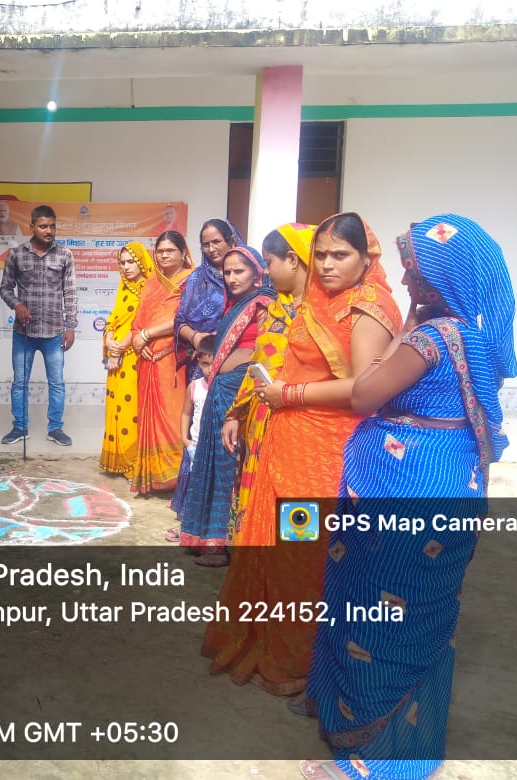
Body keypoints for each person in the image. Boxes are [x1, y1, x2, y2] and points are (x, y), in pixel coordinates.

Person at [297, 215, 516, 780]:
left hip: (404, 492)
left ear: (436, 276)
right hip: (448, 488)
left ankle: (373, 759)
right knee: (419, 616)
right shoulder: (473, 337)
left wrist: (408, 329)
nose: (404, 277)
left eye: (412, 268)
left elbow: (364, 394)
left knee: (377, 617)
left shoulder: (430, 338)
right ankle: (374, 725)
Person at [200, 212, 402, 696]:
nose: (328, 265)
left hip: (325, 455)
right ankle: (274, 645)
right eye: (322, 255)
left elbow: (363, 390)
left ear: (366, 258)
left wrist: (288, 395)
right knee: (281, 551)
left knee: (304, 556)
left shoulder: (367, 307)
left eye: (341, 255)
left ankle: (300, 663)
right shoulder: (316, 300)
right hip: (289, 445)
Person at [177, 245, 275, 564]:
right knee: (211, 461)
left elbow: (263, 352)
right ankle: (202, 536)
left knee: (228, 465)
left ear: (258, 274)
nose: (232, 277)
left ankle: (221, 545)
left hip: (239, 393)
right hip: (221, 389)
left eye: (239, 271)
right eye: (228, 272)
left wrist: (241, 397)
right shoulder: (234, 305)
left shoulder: (264, 305)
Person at [224, 223, 314, 542]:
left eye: (269, 262)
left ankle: (291, 562)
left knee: (294, 505)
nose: (265, 271)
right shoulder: (275, 310)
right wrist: (236, 414)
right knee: (258, 501)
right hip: (261, 419)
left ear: (293, 259)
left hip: (302, 425)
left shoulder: (322, 315)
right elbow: (258, 364)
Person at [0, 204, 78, 446]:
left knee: (57, 383)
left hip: (54, 332)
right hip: (25, 333)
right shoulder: (16, 254)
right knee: (20, 383)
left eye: (52, 226)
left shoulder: (64, 255)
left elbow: (70, 292)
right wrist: (16, 304)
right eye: (43, 226)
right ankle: (19, 427)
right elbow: (5, 288)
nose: (48, 230)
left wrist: (70, 326)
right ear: (31, 226)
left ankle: (55, 428)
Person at [129, 230, 193, 494]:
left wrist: (147, 335)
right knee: (149, 417)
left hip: (173, 360)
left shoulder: (191, 280)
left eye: (170, 250)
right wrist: (138, 339)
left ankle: (175, 477)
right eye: (160, 251)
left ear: (183, 253)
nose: (164, 255)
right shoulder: (151, 283)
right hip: (147, 362)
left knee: (173, 415)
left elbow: (184, 317)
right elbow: (138, 320)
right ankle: (153, 476)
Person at [100, 242, 155, 478]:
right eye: (122, 263)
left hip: (134, 357)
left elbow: (143, 324)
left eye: (131, 261)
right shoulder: (124, 286)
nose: (126, 267)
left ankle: (132, 461)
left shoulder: (150, 289)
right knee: (115, 407)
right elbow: (114, 318)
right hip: (117, 358)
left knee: (131, 410)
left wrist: (119, 349)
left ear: (142, 262)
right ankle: (118, 460)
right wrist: (108, 338)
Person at [175, 218, 243, 379]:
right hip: (201, 365)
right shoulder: (196, 278)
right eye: (206, 245)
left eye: (217, 242)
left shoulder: (247, 275)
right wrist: (195, 337)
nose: (211, 249)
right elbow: (179, 321)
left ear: (231, 241)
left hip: (238, 359)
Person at [167, 336, 215, 530]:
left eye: (213, 364)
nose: (209, 369)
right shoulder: (194, 386)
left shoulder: (223, 388)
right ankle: (188, 519)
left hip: (213, 448)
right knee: (191, 481)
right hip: (194, 445)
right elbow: (186, 413)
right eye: (205, 364)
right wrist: (185, 440)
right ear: (198, 362)